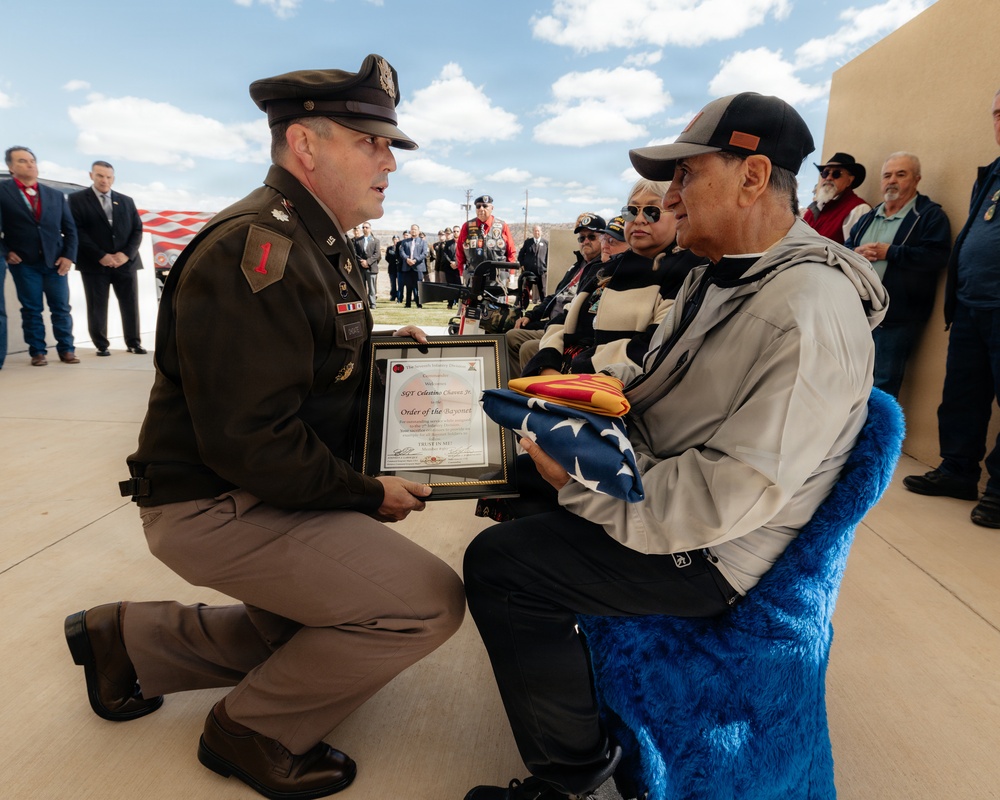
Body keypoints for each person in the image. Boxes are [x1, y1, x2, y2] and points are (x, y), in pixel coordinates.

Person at [463, 91, 887, 800]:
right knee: (503, 474)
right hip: (669, 489)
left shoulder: (808, 312)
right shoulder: (726, 274)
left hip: (718, 551)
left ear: (753, 178)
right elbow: (651, 371)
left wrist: (577, 482)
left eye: (688, 174)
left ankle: (572, 775)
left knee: (501, 568)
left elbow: (728, 500)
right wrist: (566, 393)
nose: (670, 195)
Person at [62, 55, 465, 800]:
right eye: (369, 142)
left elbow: (305, 361)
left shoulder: (317, 238)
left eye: (389, 146)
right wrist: (366, 492)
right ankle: (252, 732)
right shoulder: (260, 251)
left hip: (258, 486)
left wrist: (387, 354)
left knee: (306, 637)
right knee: (423, 604)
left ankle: (130, 642)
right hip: (216, 501)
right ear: (305, 147)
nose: (389, 162)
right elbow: (250, 439)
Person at [903, 89, 1000, 528]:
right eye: (998, 113)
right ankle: (958, 470)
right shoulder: (993, 173)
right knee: (961, 397)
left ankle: (999, 490)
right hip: (970, 306)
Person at [520, 181, 701, 378]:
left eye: (652, 211)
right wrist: (546, 366)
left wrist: (575, 374)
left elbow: (653, 347)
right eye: (631, 211)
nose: (639, 219)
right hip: (567, 374)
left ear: (677, 214)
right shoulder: (608, 269)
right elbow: (562, 321)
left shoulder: (687, 269)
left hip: (610, 385)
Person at [845, 152, 951, 397]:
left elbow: (938, 256)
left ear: (916, 179)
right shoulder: (869, 216)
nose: (891, 181)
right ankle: (847, 435)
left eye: (900, 174)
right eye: (887, 175)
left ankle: (876, 437)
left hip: (896, 319)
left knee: (881, 387)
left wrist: (892, 252)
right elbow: (846, 248)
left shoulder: (929, 216)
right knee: (849, 379)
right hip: (858, 314)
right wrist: (855, 253)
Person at [0, 146, 79, 366]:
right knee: (32, 309)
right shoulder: (3, 192)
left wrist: (68, 256)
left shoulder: (54, 195)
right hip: (24, 263)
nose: (30, 164)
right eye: (23, 161)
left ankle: (67, 349)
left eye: (32, 160)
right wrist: (7, 252)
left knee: (61, 308)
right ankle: (38, 352)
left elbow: (70, 229)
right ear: (10, 166)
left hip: (56, 262)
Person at [505, 213, 605, 379]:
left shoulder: (600, 268)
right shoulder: (577, 265)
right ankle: (516, 383)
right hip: (552, 323)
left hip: (565, 328)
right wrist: (531, 315)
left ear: (603, 239)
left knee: (526, 346)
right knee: (511, 334)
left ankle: (528, 389)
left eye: (591, 237)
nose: (585, 241)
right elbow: (555, 296)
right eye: (582, 238)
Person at [68, 160, 147, 357]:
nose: (104, 180)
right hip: (94, 264)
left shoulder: (126, 201)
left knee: (130, 304)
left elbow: (137, 229)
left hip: (125, 263)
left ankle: (134, 342)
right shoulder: (77, 199)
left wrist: (126, 254)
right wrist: (100, 255)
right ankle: (101, 344)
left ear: (113, 178)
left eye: (108, 177)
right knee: (97, 306)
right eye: (100, 176)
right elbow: (77, 231)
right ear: (91, 176)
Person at [802, 151, 872, 244]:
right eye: (825, 173)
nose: (829, 178)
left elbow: (853, 252)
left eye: (836, 174)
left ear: (849, 180)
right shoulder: (814, 208)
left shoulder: (858, 210)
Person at [456, 194, 517, 282]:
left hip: (497, 277)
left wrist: (511, 273)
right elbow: (459, 252)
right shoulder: (467, 226)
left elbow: (511, 251)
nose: (481, 209)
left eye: (485, 206)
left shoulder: (502, 226)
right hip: (474, 276)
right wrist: (462, 273)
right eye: (478, 206)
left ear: (492, 208)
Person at [517, 224, 548, 302]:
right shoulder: (528, 242)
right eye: (535, 231)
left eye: (538, 231)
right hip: (529, 271)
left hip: (541, 272)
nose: (536, 232)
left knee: (543, 292)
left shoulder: (546, 243)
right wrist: (522, 264)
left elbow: (548, 256)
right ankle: (522, 307)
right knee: (525, 291)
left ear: (541, 232)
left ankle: (544, 310)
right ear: (533, 232)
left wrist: (547, 267)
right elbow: (520, 255)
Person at [399, 222, 427, 307]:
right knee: (408, 286)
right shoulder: (404, 242)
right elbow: (401, 251)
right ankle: (408, 303)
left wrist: (415, 260)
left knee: (418, 286)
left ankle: (419, 303)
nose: (413, 231)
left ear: (418, 231)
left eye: (415, 229)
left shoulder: (423, 242)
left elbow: (424, 253)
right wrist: (407, 259)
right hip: (407, 267)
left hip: (418, 267)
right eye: (412, 229)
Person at [354, 221, 380, 308]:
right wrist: (362, 261)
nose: (365, 229)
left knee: (372, 288)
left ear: (370, 229)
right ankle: (363, 304)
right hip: (361, 268)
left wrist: (368, 262)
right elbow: (355, 253)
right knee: (362, 287)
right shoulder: (357, 241)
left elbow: (377, 254)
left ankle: (372, 304)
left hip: (371, 268)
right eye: (363, 227)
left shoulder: (376, 241)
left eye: (366, 227)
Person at [385, 234, 401, 301]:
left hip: (399, 268)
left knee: (400, 283)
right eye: (394, 239)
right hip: (392, 268)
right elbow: (387, 258)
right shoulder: (389, 248)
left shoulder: (401, 248)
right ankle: (393, 295)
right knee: (393, 283)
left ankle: (399, 296)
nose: (395, 241)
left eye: (397, 239)